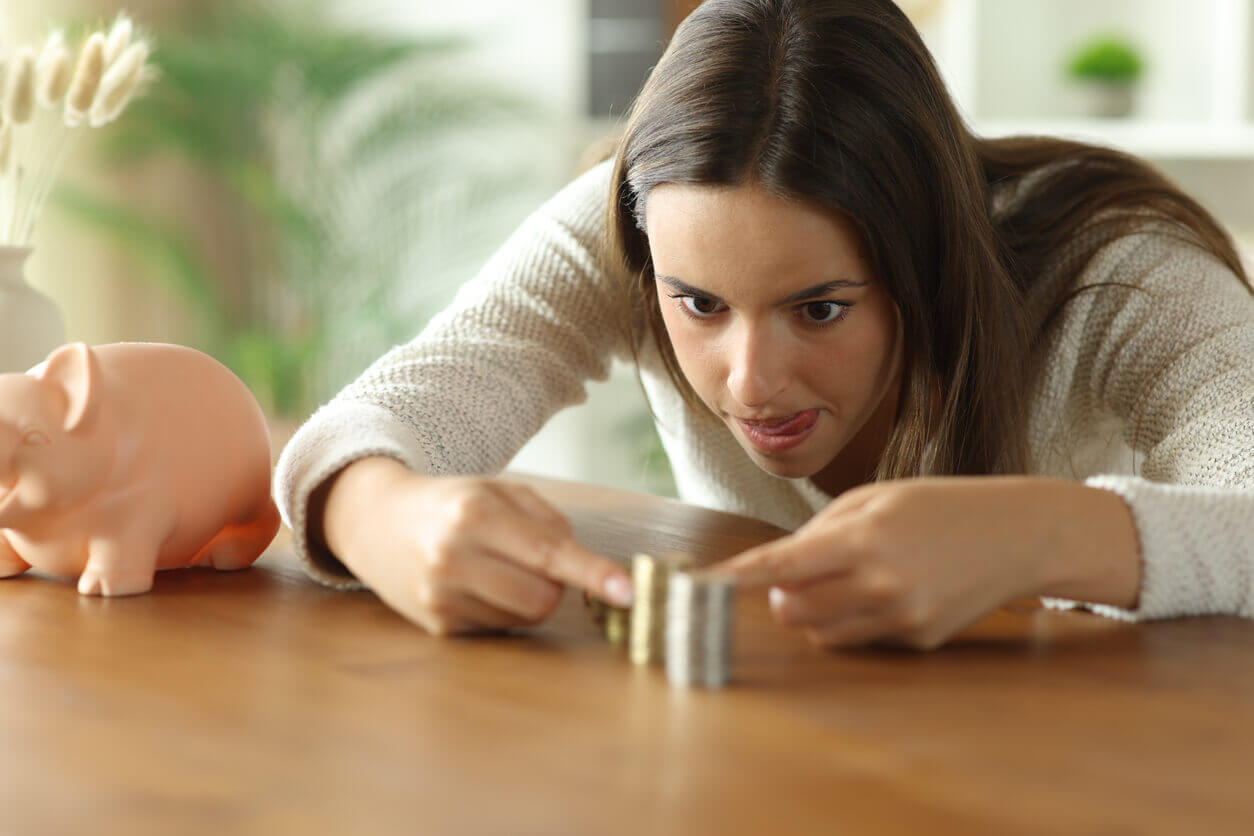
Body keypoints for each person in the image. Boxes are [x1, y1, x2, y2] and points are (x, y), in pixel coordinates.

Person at [275, 0, 1254, 648]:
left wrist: (1037, 534)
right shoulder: (631, 219)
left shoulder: (1123, 278)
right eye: (699, 304)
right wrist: (380, 514)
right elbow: (398, 406)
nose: (750, 380)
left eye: (819, 308)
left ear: (928, 253)